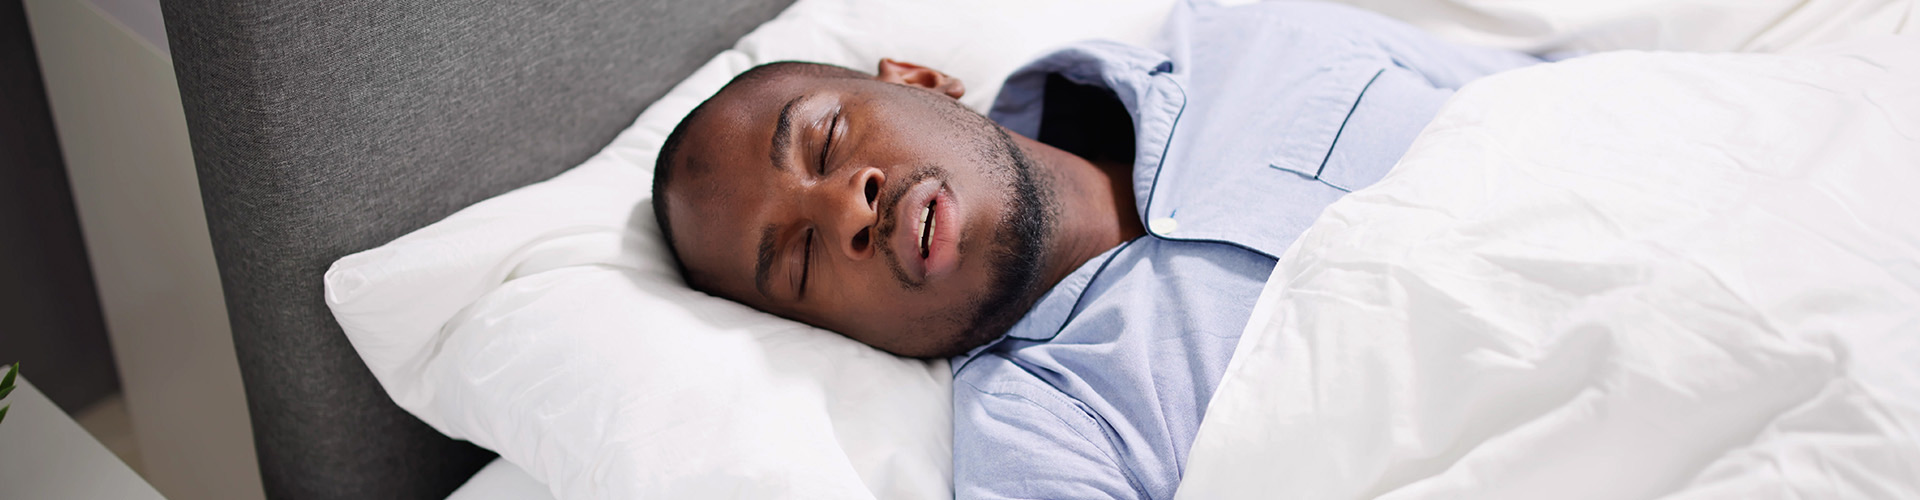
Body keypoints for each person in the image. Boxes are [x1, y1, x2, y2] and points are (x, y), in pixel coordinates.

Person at [650, 1, 1545, 497]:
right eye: (802, 262)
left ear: (921, 81)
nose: (848, 206)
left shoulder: (1256, 37)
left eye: (827, 141)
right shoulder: (1038, 437)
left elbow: (1598, 106)